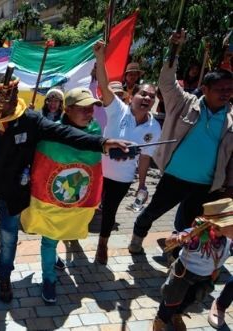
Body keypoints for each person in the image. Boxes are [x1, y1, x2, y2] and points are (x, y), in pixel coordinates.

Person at [0, 70, 130, 302]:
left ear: (15, 92)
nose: (7, 103)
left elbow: (64, 133)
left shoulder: (30, 120)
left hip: (14, 194)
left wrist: (102, 143)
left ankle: (4, 277)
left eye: (11, 96)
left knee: (9, 238)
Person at [128, 31, 233, 254]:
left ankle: (177, 254)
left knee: (188, 224)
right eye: (220, 89)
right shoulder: (185, 103)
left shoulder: (232, 117)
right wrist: (174, 50)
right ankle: (138, 235)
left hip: (205, 183)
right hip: (175, 176)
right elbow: (166, 81)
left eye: (229, 90)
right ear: (205, 89)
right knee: (153, 211)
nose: (226, 93)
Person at [30, 87, 104, 303]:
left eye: (92, 108)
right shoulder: (52, 133)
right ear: (68, 109)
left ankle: (53, 258)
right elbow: (40, 166)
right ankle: (49, 279)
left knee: (66, 228)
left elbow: (95, 168)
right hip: (51, 200)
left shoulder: (96, 131)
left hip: (77, 199)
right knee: (50, 236)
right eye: (84, 108)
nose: (90, 113)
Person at [92, 40, 162, 264]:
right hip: (97, 171)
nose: (147, 98)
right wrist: (100, 59)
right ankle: (72, 236)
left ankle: (102, 244)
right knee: (87, 204)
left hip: (122, 178)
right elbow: (104, 85)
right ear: (133, 96)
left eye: (151, 96)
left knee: (110, 212)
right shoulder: (117, 109)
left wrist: (142, 184)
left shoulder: (154, 128)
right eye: (143, 94)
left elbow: (145, 157)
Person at [153, 198, 233, 330]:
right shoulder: (196, 235)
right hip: (183, 273)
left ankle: (177, 315)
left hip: (205, 276)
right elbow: (168, 242)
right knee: (171, 300)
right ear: (220, 225)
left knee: (190, 298)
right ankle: (161, 319)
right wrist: (176, 238)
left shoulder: (228, 241)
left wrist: (214, 276)